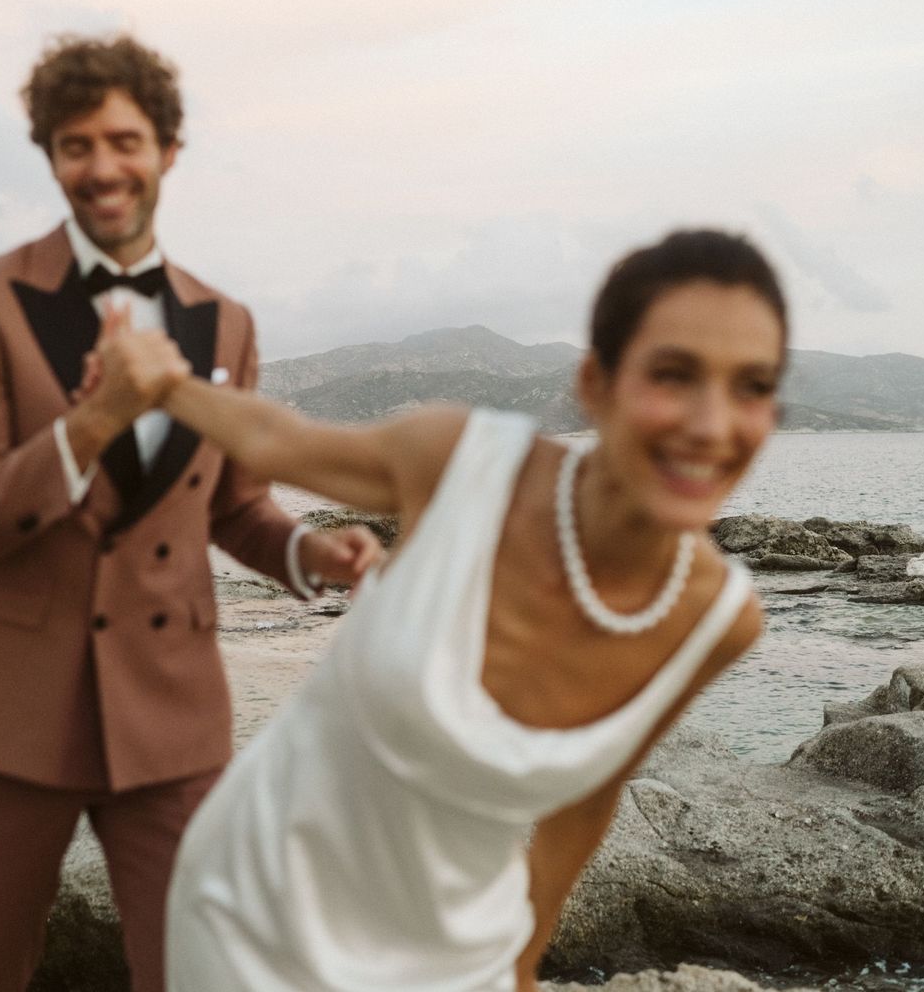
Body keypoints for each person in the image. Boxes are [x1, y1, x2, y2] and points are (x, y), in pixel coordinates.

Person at [95, 228, 786, 990]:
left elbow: (589, 800)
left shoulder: (719, 621)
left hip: (460, 957)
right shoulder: (462, 463)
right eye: (674, 374)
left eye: (751, 385)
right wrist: (162, 384)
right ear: (596, 384)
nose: (712, 425)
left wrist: (521, 969)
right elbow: (273, 437)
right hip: (256, 914)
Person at [0, 34, 380, 992]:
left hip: (171, 719)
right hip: (5, 717)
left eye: (124, 141)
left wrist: (312, 554)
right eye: (75, 145)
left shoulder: (229, 322)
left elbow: (233, 506)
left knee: (200, 973)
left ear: (168, 151)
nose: (102, 167)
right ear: (50, 156)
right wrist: (92, 425)